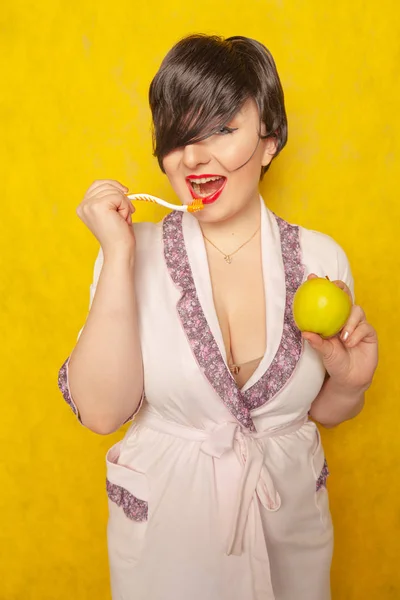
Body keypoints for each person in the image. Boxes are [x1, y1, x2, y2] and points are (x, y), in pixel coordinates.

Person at [58, 34, 378, 600]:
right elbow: (102, 413)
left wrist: (352, 383)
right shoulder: (131, 253)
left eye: (223, 130)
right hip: (169, 546)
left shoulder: (323, 261)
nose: (195, 157)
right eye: (180, 137)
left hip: (289, 537)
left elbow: (322, 410)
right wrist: (118, 252)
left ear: (269, 141)